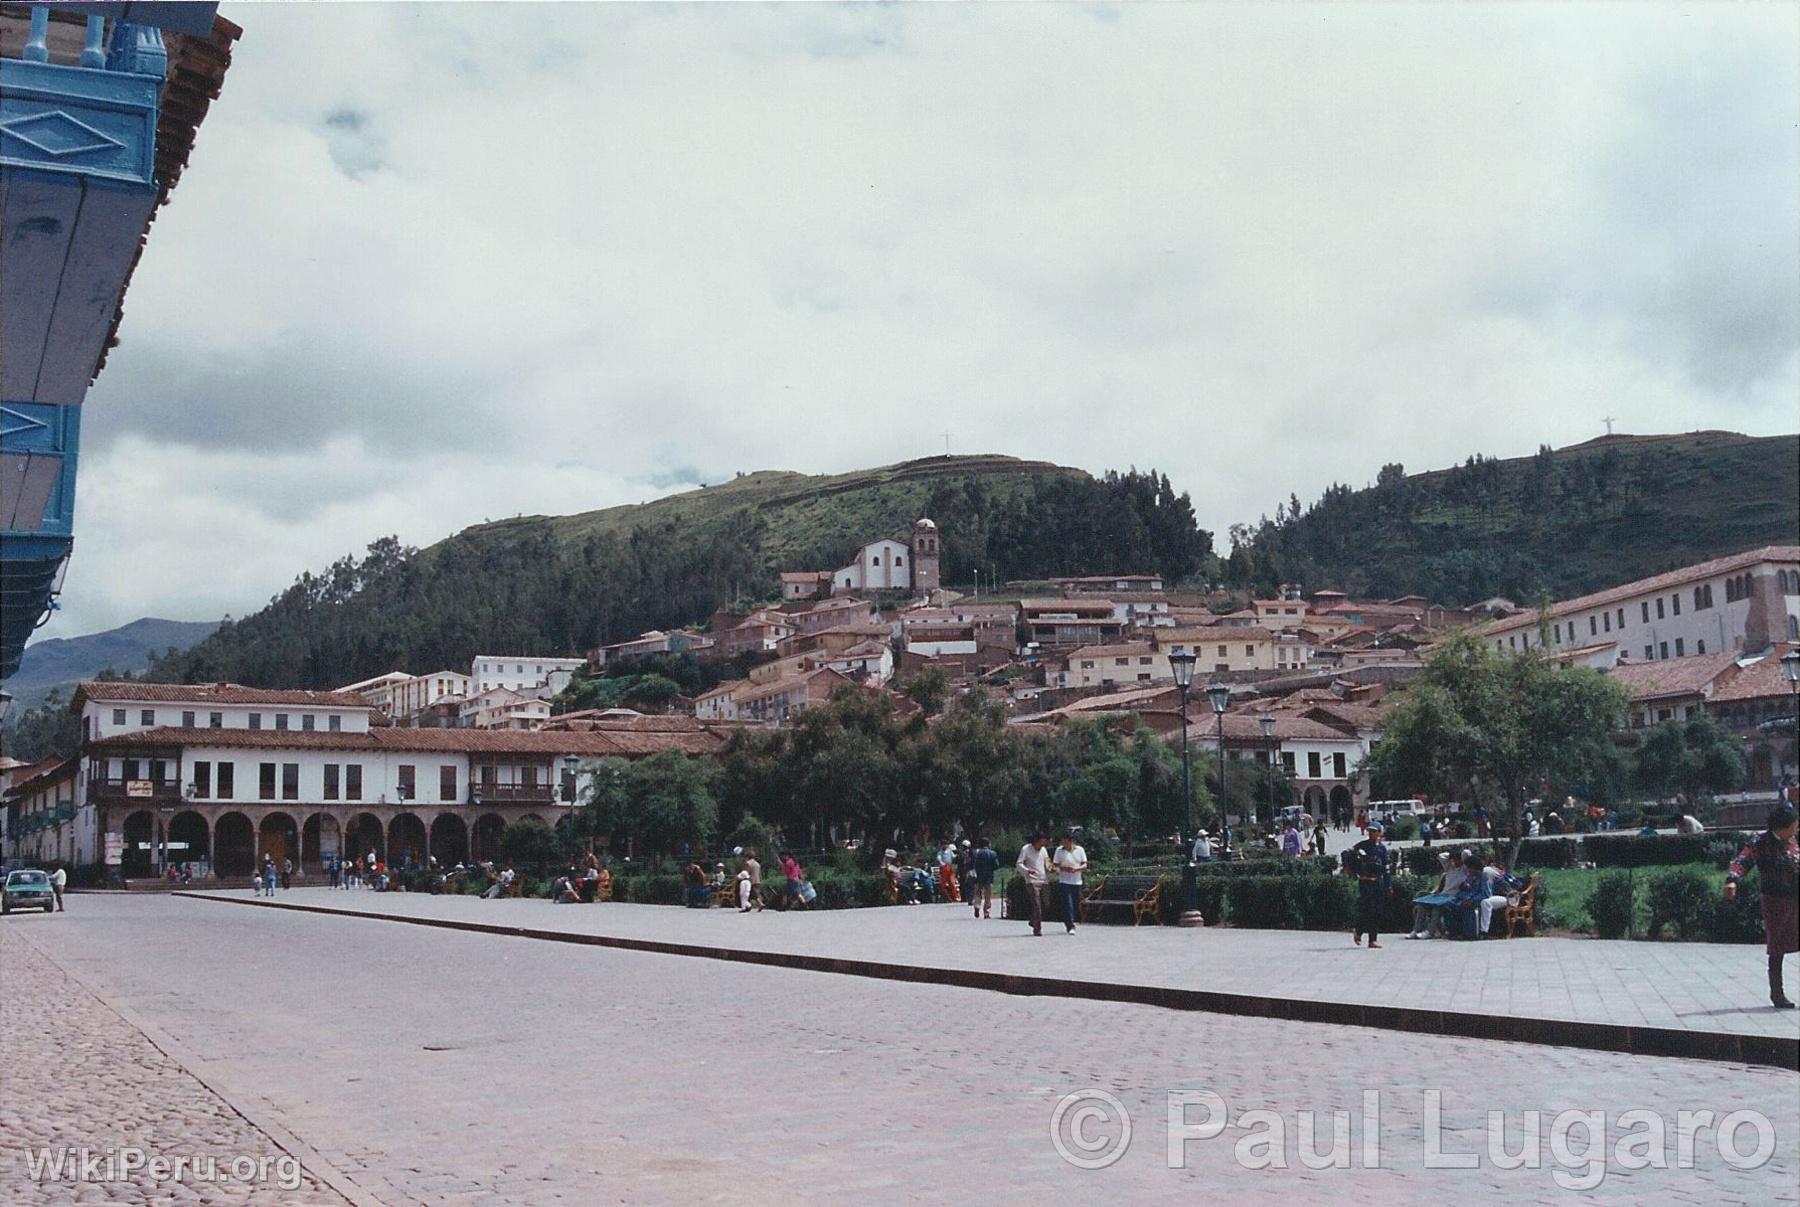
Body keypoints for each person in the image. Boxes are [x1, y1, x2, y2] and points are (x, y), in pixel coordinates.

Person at [1724, 803, 1799, 1009]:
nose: (1796, 828)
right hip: (1776, 902)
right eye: (1794, 825)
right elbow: (1742, 860)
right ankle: (1778, 994)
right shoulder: (1760, 842)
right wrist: (1732, 880)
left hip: (1796, 898)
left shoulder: (1793, 840)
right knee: (1777, 948)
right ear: (1782, 827)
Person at [1349, 821, 1390, 949]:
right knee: (1368, 910)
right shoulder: (1362, 846)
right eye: (1370, 831)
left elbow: (1386, 868)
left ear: (1379, 832)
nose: (1372, 833)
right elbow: (1349, 857)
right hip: (1365, 882)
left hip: (1377, 882)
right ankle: (1359, 931)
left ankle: (1372, 940)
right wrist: (1353, 872)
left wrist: (1388, 885)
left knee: (1377, 912)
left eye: (1374, 831)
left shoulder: (1382, 849)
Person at [1408, 851, 1467, 939]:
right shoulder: (1449, 868)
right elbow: (1441, 856)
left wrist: (1462, 858)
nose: (1454, 862)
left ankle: (1430, 932)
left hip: (1452, 897)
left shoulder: (1464, 870)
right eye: (1453, 860)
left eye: (1456, 860)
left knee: (1437, 909)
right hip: (1442, 895)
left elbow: (1466, 855)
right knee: (1422, 905)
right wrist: (1450, 855)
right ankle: (1416, 930)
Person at [1053, 833, 1087, 934]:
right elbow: (1055, 865)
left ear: (1070, 841)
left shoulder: (1080, 850)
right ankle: (1070, 926)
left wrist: (1076, 869)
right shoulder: (1059, 850)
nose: (1063, 843)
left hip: (1077, 881)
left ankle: (1072, 921)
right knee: (1068, 904)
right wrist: (1063, 868)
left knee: (1076, 904)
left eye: (1065, 842)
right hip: (1065, 881)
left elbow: (1084, 865)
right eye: (1062, 841)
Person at [1016, 834, 1049, 936]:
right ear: (1036, 841)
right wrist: (1027, 870)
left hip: (1043, 880)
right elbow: (1019, 864)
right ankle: (1037, 929)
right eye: (1041, 842)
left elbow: (1047, 862)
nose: (1042, 845)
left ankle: (1033, 920)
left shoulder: (1043, 850)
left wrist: (1051, 868)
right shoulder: (1026, 849)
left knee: (1045, 904)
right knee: (1036, 904)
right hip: (1032, 880)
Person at [970, 838, 999, 918]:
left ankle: (977, 906)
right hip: (989, 877)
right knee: (988, 895)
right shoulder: (993, 853)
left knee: (977, 893)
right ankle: (986, 912)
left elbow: (972, 864)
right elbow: (996, 865)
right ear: (988, 844)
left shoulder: (976, 853)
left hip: (978, 876)